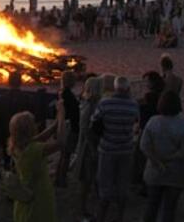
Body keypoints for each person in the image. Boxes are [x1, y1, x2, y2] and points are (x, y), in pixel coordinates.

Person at [90, 76, 139, 222]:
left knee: (105, 186)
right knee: (122, 185)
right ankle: (119, 217)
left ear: (114, 88)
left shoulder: (105, 103)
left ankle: (101, 217)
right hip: (126, 149)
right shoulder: (133, 105)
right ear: (128, 89)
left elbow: (94, 122)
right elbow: (136, 123)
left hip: (107, 149)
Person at [9, 102, 65, 222]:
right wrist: (62, 115)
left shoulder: (15, 145)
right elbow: (60, 143)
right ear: (29, 129)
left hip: (24, 197)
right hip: (38, 196)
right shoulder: (33, 149)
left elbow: (42, 137)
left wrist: (57, 120)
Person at [140, 91, 184, 222]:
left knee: (151, 206)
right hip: (175, 172)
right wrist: (169, 158)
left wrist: (157, 161)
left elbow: (144, 146)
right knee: (169, 209)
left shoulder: (153, 121)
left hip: (155, 171)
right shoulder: (183, 124)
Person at [73, 76, 103, 220]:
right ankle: (83, 210)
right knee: (85, 180)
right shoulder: (90, 104)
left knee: (91, 179)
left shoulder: (90, 102)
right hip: (87, 147)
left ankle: (90, 207)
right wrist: (92, 148)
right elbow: (85, 128)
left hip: (90, 145)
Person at [0, 72, 33, 169]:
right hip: (23, 137)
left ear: (8, 82)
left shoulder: (0, 100)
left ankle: (8, 173)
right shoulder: (27, 99)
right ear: (21, 82)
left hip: (5, 135)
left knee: (7, 161)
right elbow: (32, 119)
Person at [55, 70, 79, 188]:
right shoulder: (67, 95)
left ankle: (58, 177)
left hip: (64, 125)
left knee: (63, 154)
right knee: (66, 154)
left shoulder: (62, 93)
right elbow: (73, 112)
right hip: (69, 127)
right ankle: (62, 179)